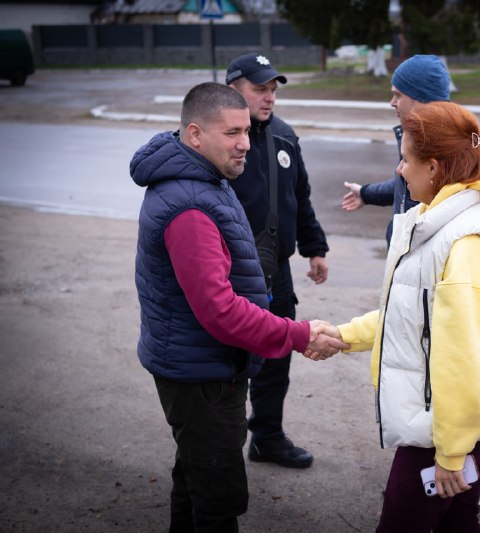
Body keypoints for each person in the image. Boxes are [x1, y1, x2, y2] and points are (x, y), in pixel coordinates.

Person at [129, 82, 346, 532]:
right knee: (217, 500)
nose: (245, 143)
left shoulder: (204, 177)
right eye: (231, 133)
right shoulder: (189, 207)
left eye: (246, 130)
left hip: (204, 365)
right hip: (203, 375)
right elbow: (219, 310)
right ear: (194, 134)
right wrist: (297, 335)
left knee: (195, 478)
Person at [314, 101, 480, 532]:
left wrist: (451, 454)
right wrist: (346, 336)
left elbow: (465, 358)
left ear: (434, 168)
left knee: (401, 522)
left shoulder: (466, 241)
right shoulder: (439, 221)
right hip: (447, 415)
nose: (398, 170)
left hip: (444, 424)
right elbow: (414, 314)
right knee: (456, 520)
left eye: (405, 159)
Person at [225, 53, 330, 469]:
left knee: (276, 354)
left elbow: (299, 198)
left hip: (276, 270)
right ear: (233, 89)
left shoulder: (285, 137)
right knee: (228, 357)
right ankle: (220, 442)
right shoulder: (221, 139)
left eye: (272, 90)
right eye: (259, 89)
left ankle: (266, 436)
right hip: (231, 270)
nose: (269, 97)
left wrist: (314, 247)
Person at [340, 54, 451, 247]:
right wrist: (366, 193)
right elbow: (407, 184)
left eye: (398, 95)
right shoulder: (419, 138)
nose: (392, 102)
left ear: (420, 98)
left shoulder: (452, 149)